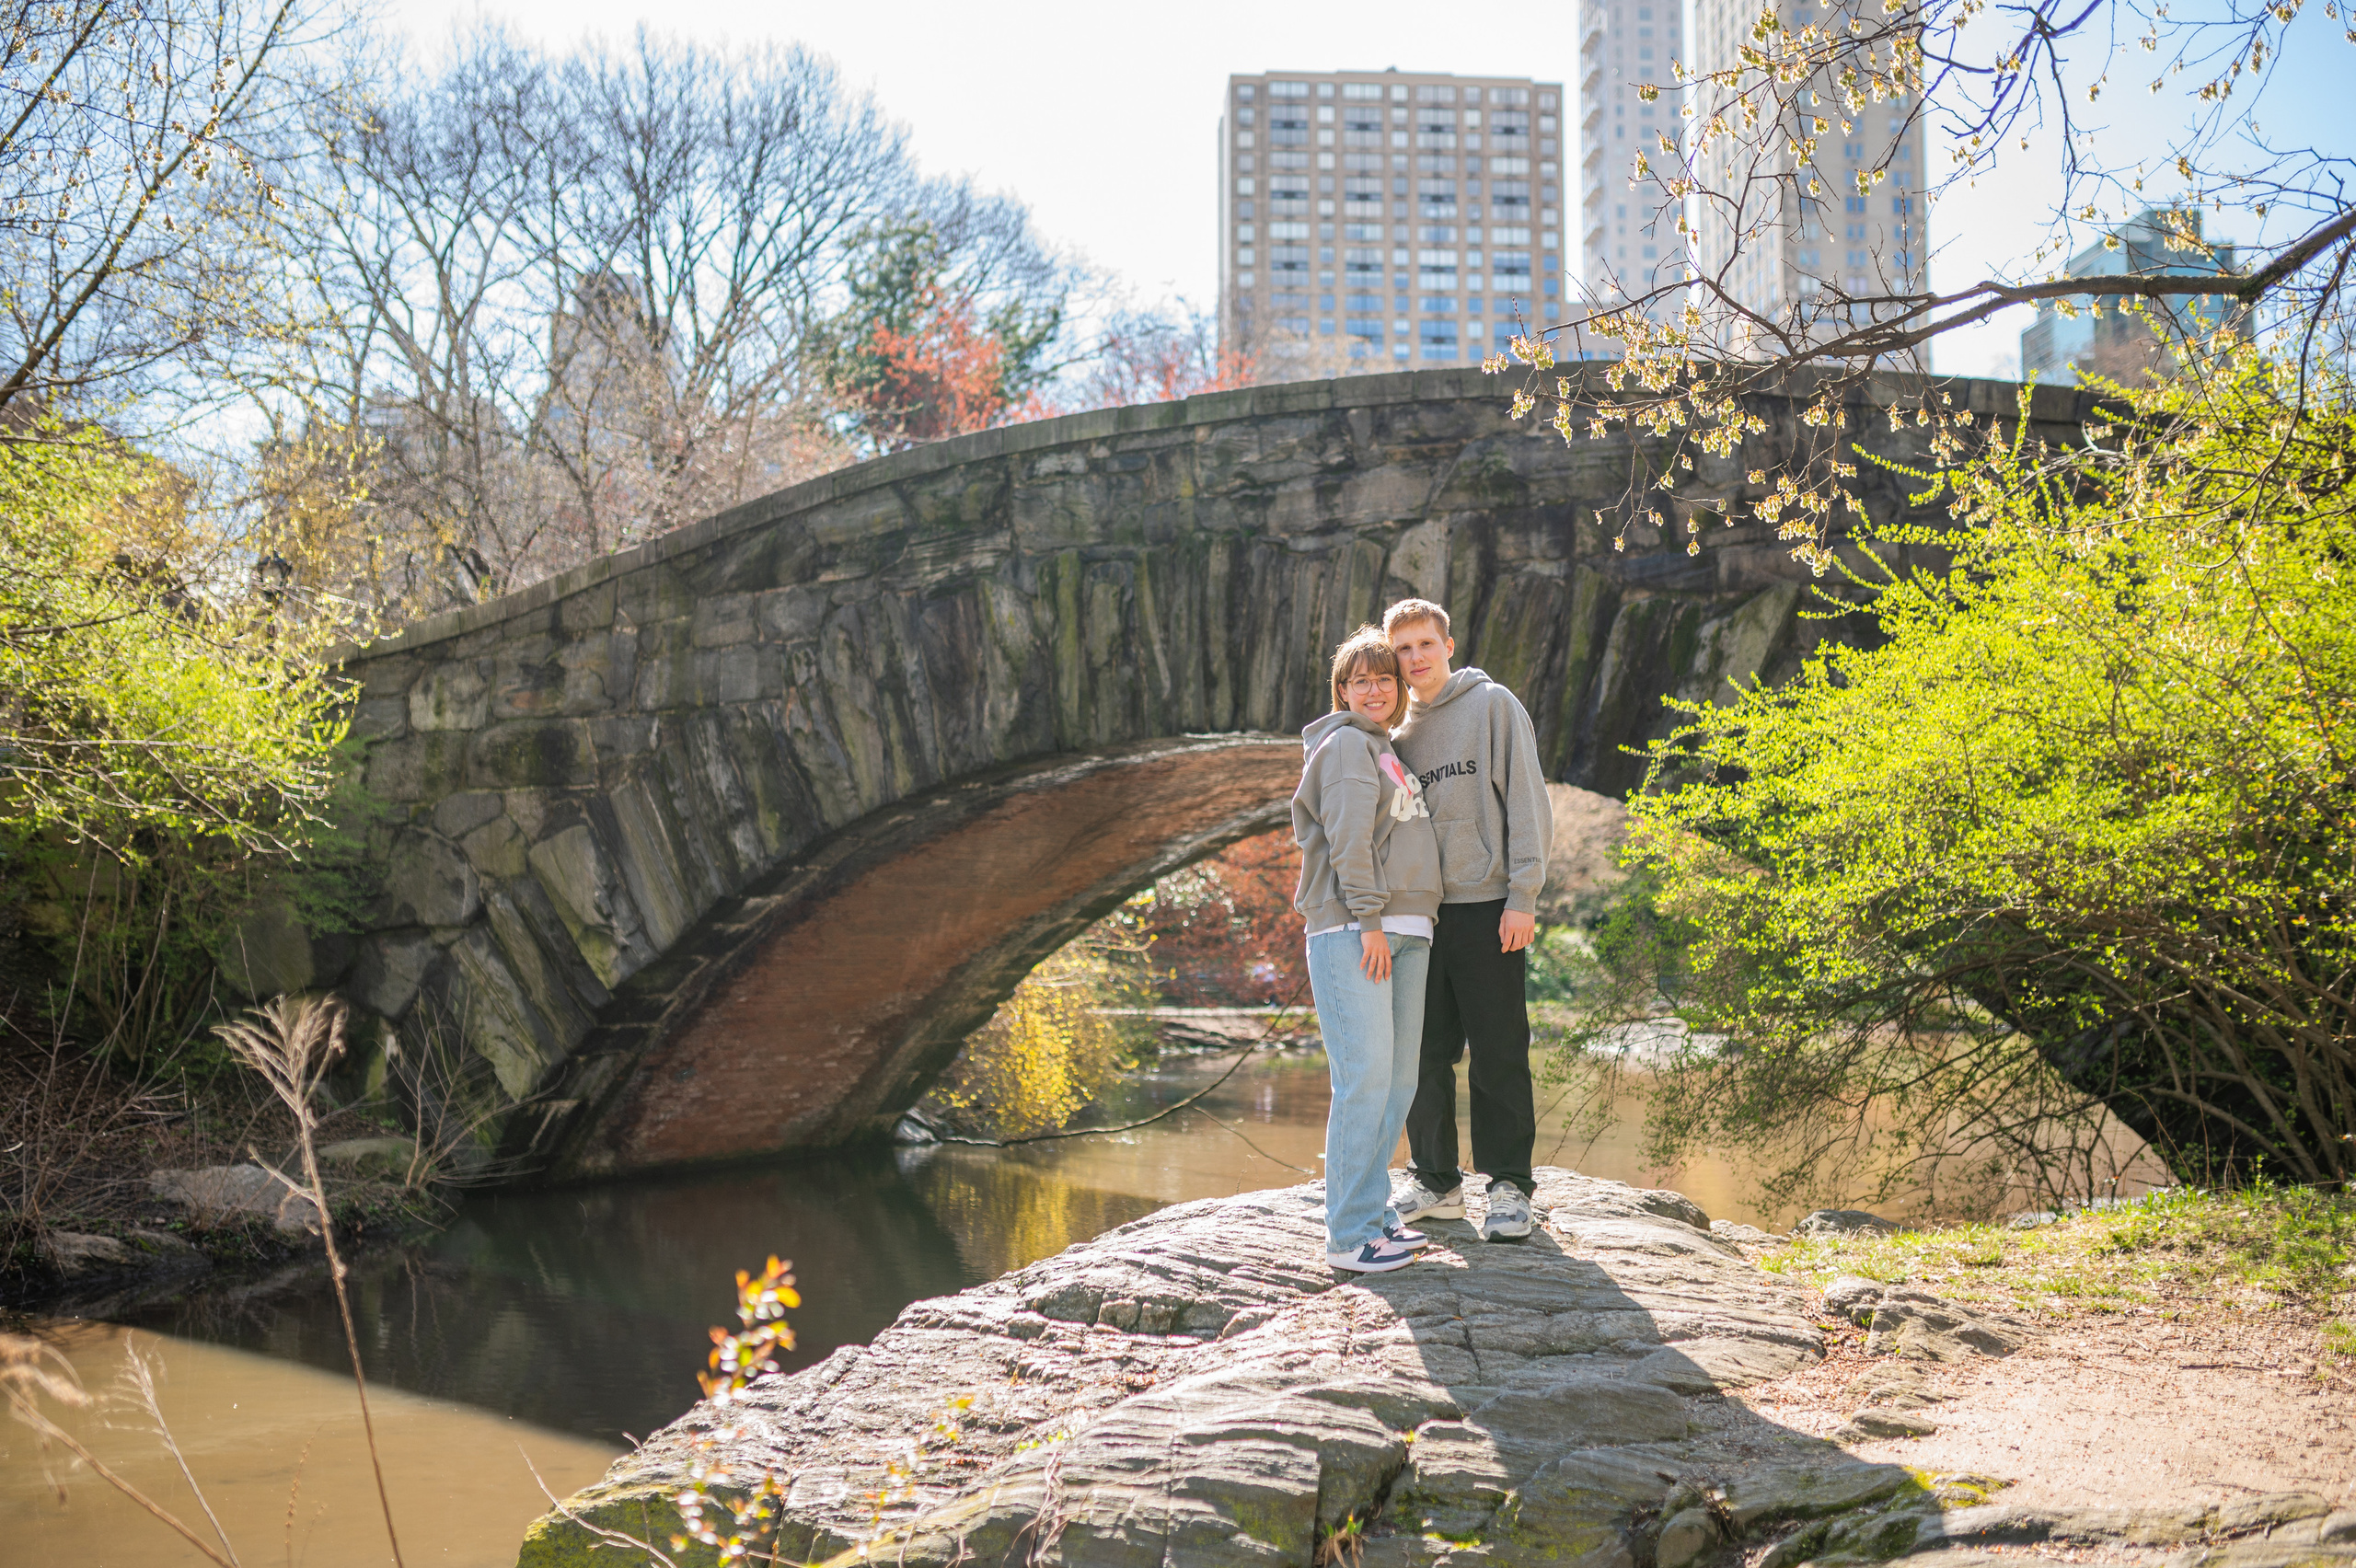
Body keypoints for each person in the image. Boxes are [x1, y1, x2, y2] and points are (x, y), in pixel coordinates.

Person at [1381, 598, 1553, 1242]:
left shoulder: (1493, 706)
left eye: (1426, 644)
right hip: (1421, 916)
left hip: (1489, 908)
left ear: (1448, 646)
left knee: (1499, 1049)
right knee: (1422, 1053)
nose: (1416, 658)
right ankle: (1436, 1181)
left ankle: (1509, 1186)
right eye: (1404, 649)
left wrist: (1523, 896)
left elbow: (1528, 804)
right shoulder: (1394, 731)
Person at [1292, 626, 1446, 1274]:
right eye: (1361, 680)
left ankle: (1376, 1213)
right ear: (1342, 691)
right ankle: (1349, 1237)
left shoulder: (1387, 751)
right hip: (1357, 932)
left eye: (1385, 677)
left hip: (1407, 931)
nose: (1375, 688)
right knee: (1363, 1084)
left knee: (1396, 1084)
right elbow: (1349, 841)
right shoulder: (1347, 748)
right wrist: (1370, 919)